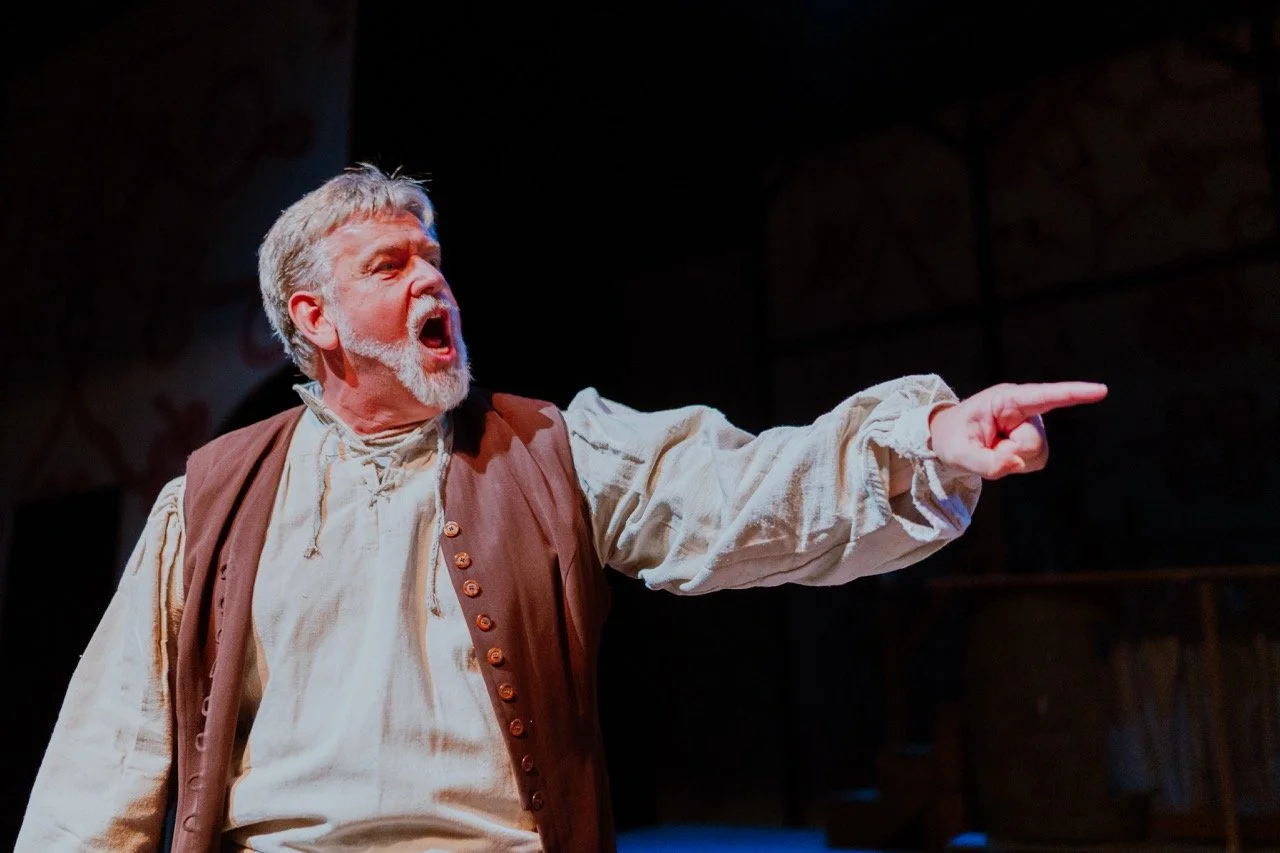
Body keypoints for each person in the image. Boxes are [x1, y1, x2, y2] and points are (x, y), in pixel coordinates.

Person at [15, 164, 1107, 853]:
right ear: (317, 319)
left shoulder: (549, 450)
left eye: (434, 258)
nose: (432, 281)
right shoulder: (213, 499)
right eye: (390, 265)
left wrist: (923, 439)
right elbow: (112, 745)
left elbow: (736, 492)